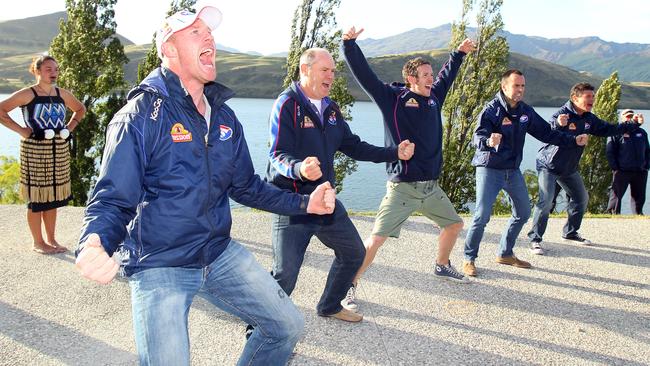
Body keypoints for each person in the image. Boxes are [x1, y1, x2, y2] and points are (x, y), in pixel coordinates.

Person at [74, 6, 337, 366]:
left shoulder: (225, 117)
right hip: (159, 263)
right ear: (168, 50)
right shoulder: (139, 116)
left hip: (217, 252)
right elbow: (112, 200)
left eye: (209, 32)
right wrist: (95, 242)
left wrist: (305, 204)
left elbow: (246, 187)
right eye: (195, 32)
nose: (209, 37)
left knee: (287, 326)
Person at [265, 46, 415, 323]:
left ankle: (330, 305)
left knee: (354, 253)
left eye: (333, 71)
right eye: (325, 70)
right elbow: (276, 153)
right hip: (293, 202)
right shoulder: (287, 104)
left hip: (325, 201)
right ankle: (260, 326)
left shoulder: (331, 109)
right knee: (285, 274)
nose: (331, 76)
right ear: (305, 70)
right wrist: (300, 169)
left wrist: (394, 152)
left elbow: (353, 146)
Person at [340, 26, 476, 311]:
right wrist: (349, 45)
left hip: (431, 186)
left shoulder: (434, 97)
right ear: (412, 78)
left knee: (454, 225)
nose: (432, 78)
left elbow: (447, 76)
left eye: (431, 74)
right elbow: (365, 76)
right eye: (426, 75)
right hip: (402, 186)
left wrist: (459, 54)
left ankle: (441, 265)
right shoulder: (393, 99)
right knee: (376, 239)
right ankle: (348, 286)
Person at [463, 70, 588, 276]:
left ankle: (505, 253)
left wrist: (572, 140)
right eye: (516, 86)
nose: (520, 90)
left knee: (522, 213)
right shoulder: (491, 110)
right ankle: (469, 259)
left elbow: (546, 133)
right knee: (482, 216)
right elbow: (477, 137)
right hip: (489, 168)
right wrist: (488, 141)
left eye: (522, 86)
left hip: (512, 170)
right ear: (504, 87)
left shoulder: (525, 112)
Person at [527, 83, 643, 253]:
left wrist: (633, 124)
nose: (592, 100)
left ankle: (570, 233)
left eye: (593, 96)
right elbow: (547, 131)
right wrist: (558, 125)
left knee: (581, 198)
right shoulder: (562, 114)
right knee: (545, 202)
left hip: (569, 168)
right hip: (549, 165)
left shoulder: (589, 118)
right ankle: (534, 240)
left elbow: (609, 129)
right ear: (575, 98)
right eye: (588, 97)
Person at [0, 54, 85, 254]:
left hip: (59, 153)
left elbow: (80, 109)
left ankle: (52, 240)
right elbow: (1, 110)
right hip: (35, 153)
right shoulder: (27, 94)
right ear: (37, 71)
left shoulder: (62, 94)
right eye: (48, 69)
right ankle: (38, 242)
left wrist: (69, 128)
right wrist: (21, 130)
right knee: (37, 198)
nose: (53, 73)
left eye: (56, 69)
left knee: (52, 197)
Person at [606, 109, 648, 215]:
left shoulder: (642, 132)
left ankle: (638, 215)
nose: (629, 118)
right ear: (622, 118)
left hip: (640, 170)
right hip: (622, 170)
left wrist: (646, 166)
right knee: (616, 195)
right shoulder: (616, 132)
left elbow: (647, 150)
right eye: (627, 116)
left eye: (631, 116)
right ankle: (613, 214)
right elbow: (610, 151)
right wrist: (615, 168)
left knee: (639, 196)